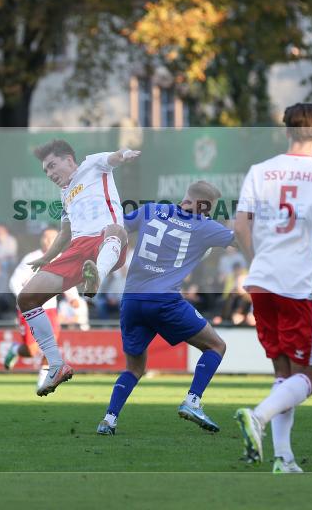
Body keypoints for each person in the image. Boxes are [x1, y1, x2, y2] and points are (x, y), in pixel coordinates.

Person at [233, 103, 312, 473]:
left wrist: (257, 260)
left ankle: (284, 458)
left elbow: (240, 228)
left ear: (286, 131)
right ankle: (258, 417)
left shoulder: (259, 171)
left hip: (262, 280)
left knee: (284, 375)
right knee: (309, 378)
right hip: (299, 284)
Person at [96, 181, 235, 436]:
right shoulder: (205, 226)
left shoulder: (150, 210)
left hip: (132, 301)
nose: (207, 213)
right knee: (216, 346)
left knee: (134, 369)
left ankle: (109, 420)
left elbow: (117, 229)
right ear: (199, 204)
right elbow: (244, 241)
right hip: (164, 302)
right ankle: (192, 401)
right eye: (207, 208)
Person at [15, 139, 140, 396]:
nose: (49, 174)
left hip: (107, 241)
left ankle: (96, 276)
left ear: (69, 160)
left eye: (52, 166)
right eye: (45, 171)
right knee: (26, 298)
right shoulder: (65, 194)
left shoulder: (92, 164)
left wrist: (126, 153)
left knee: (116, 229)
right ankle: (57, 365)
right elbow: (64, 233)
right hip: (78, 250)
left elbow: (114, 157)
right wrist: (46, 258)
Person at [4, 226, 83, 390]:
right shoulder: (32, 258)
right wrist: (24, 300)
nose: (48, 241)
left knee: (51, 345)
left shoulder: (62, 259)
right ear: (41, 240)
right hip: (30, 310)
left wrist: (73, 298)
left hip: (50, 309)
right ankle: (15, 349)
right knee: (31, 351)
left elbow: (66, 280)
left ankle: (43, 381)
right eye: (45, 237)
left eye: (52, 238)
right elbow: (14, 281)